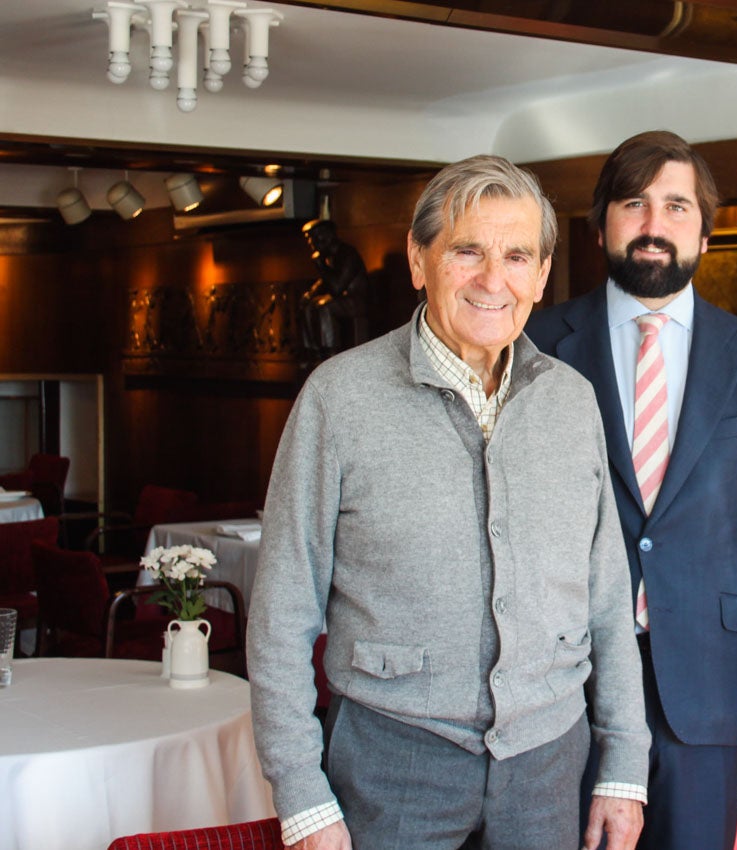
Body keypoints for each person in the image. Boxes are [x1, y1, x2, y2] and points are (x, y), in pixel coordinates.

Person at [247, 154, 649, 850]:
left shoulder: (571, 401)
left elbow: (608, 597)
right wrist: (303, 796)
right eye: (468, 251)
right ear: (418, 259)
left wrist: (623, 766)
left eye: (517, 255)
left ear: (542, 273)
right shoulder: (338, 399)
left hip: (549, 758)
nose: (494, 280)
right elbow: (282, 609)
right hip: (389, 759)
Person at [526, 130, 737, 850]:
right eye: (633, 204)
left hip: (707, 687)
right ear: (601, 221)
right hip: (564, 689)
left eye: (675, 206)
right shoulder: (534, 344)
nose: (654, 226)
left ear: (704, 231)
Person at [299, 218, 370, 356]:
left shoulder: (348, 254)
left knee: (324, 306)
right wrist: (310, 294)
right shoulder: (329, 256)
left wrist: (321, 265)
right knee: (308, 305)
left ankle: (331, 350)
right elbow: (324, 282)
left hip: (357, 301)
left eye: (313, 238)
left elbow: (336, 287)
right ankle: (313, 350)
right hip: (343, 301)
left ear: (326, 237)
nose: (310, 243)